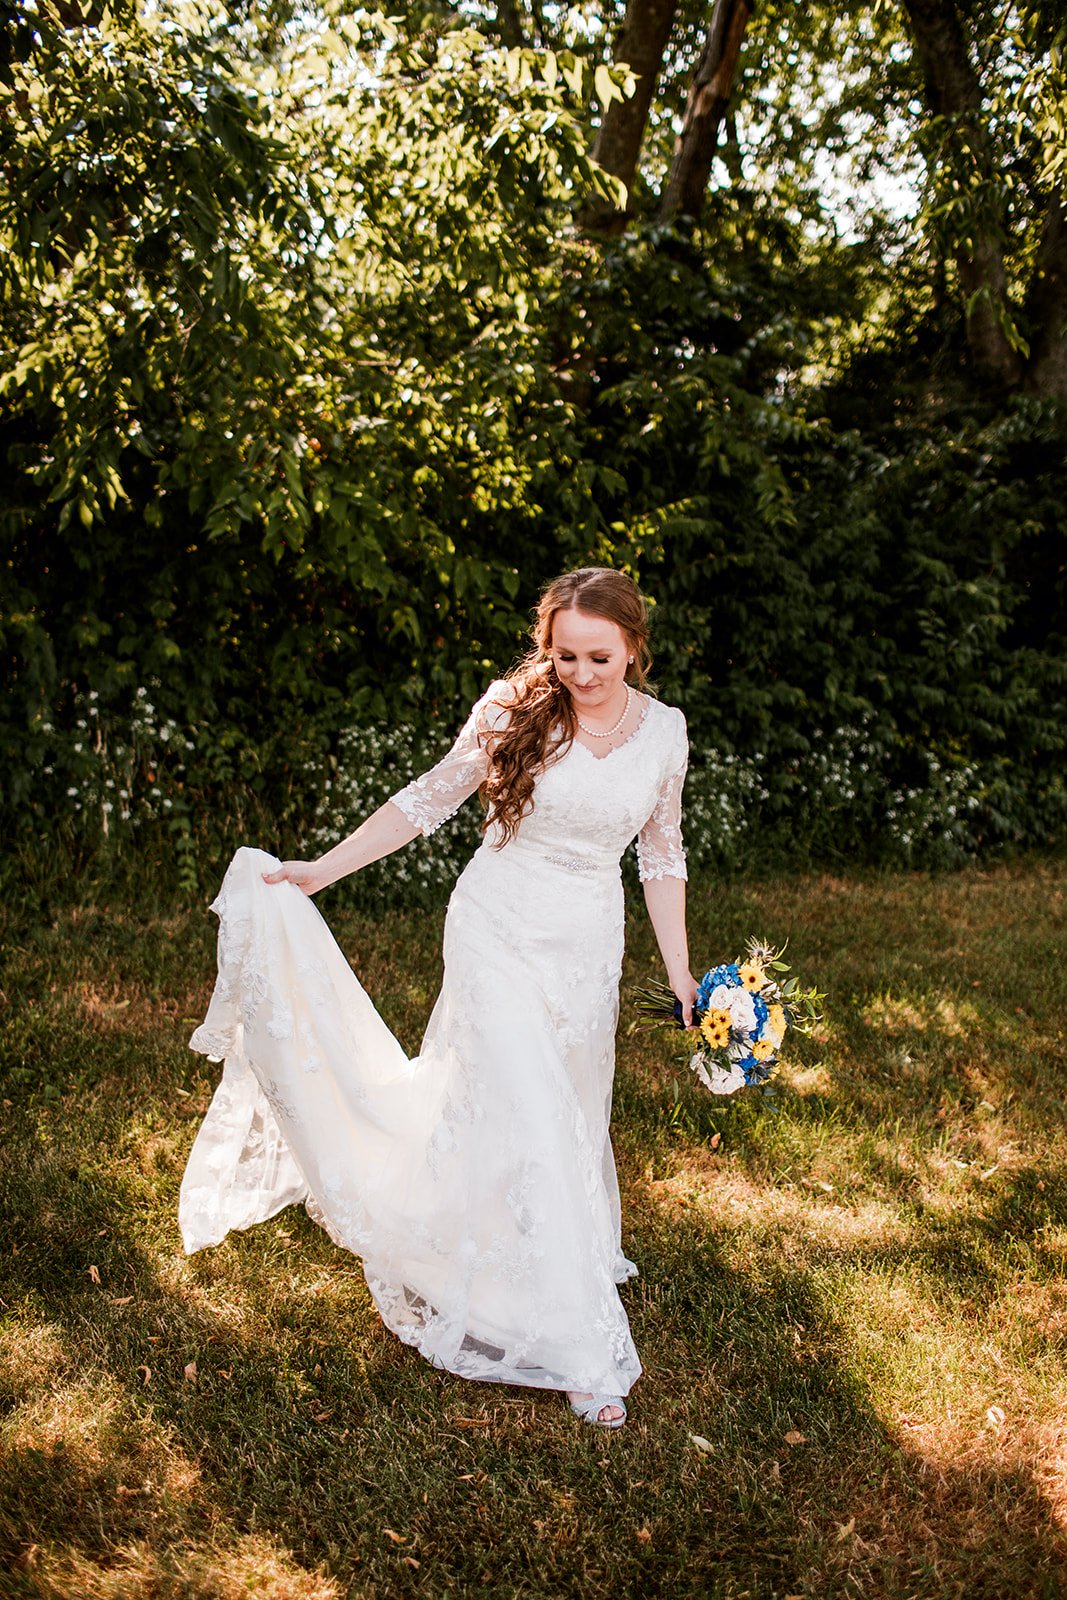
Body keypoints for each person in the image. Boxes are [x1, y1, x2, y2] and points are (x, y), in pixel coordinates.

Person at [179, 567, 696, 1430]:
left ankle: (522, 1242)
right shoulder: (512, 707)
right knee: (526, 1098)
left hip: (584, 940)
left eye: (599, 656)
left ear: (634, 648)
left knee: (563, 1100)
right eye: (563, 654)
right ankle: (576, 1346)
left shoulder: (666, 734)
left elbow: (661, 857)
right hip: (495, 925)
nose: (579, 673)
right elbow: (425, 802)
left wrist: (679, 971)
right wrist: (320, 871)